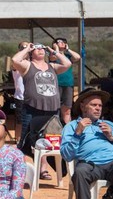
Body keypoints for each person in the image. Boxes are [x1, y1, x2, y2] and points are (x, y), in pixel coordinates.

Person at [12, 42, 71, 180]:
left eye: (41, 48)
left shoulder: (52, 67)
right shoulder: (27, 66)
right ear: (31, 53)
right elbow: (15, 60)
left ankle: (44, 170)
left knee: (51, 142)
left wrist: (53, 51)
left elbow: (67, 64)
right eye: (37, 49)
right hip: (32, 109)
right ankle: (19, 172)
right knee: (25, 141)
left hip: (52, 111)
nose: (40, 50)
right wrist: (28, 48)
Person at [51, 38, 81, 123]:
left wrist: (68, 49)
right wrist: (56, 49)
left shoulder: (68, 57)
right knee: (55, 108)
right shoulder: (51, 55)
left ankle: (68, 128)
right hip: (56, 84)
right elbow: (52, 58)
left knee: (67, 108)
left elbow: (77, 57)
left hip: (68, 84)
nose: (62, 43)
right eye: (59, 42)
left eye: (64, 42)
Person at [12, 42, 28, 140]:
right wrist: (24, 51)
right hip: (20, 97)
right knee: (20, 120)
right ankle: (18, 139)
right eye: (23, 47)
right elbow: (14, 63)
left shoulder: (32, 63)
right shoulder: (17, 63)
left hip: (32, 97)